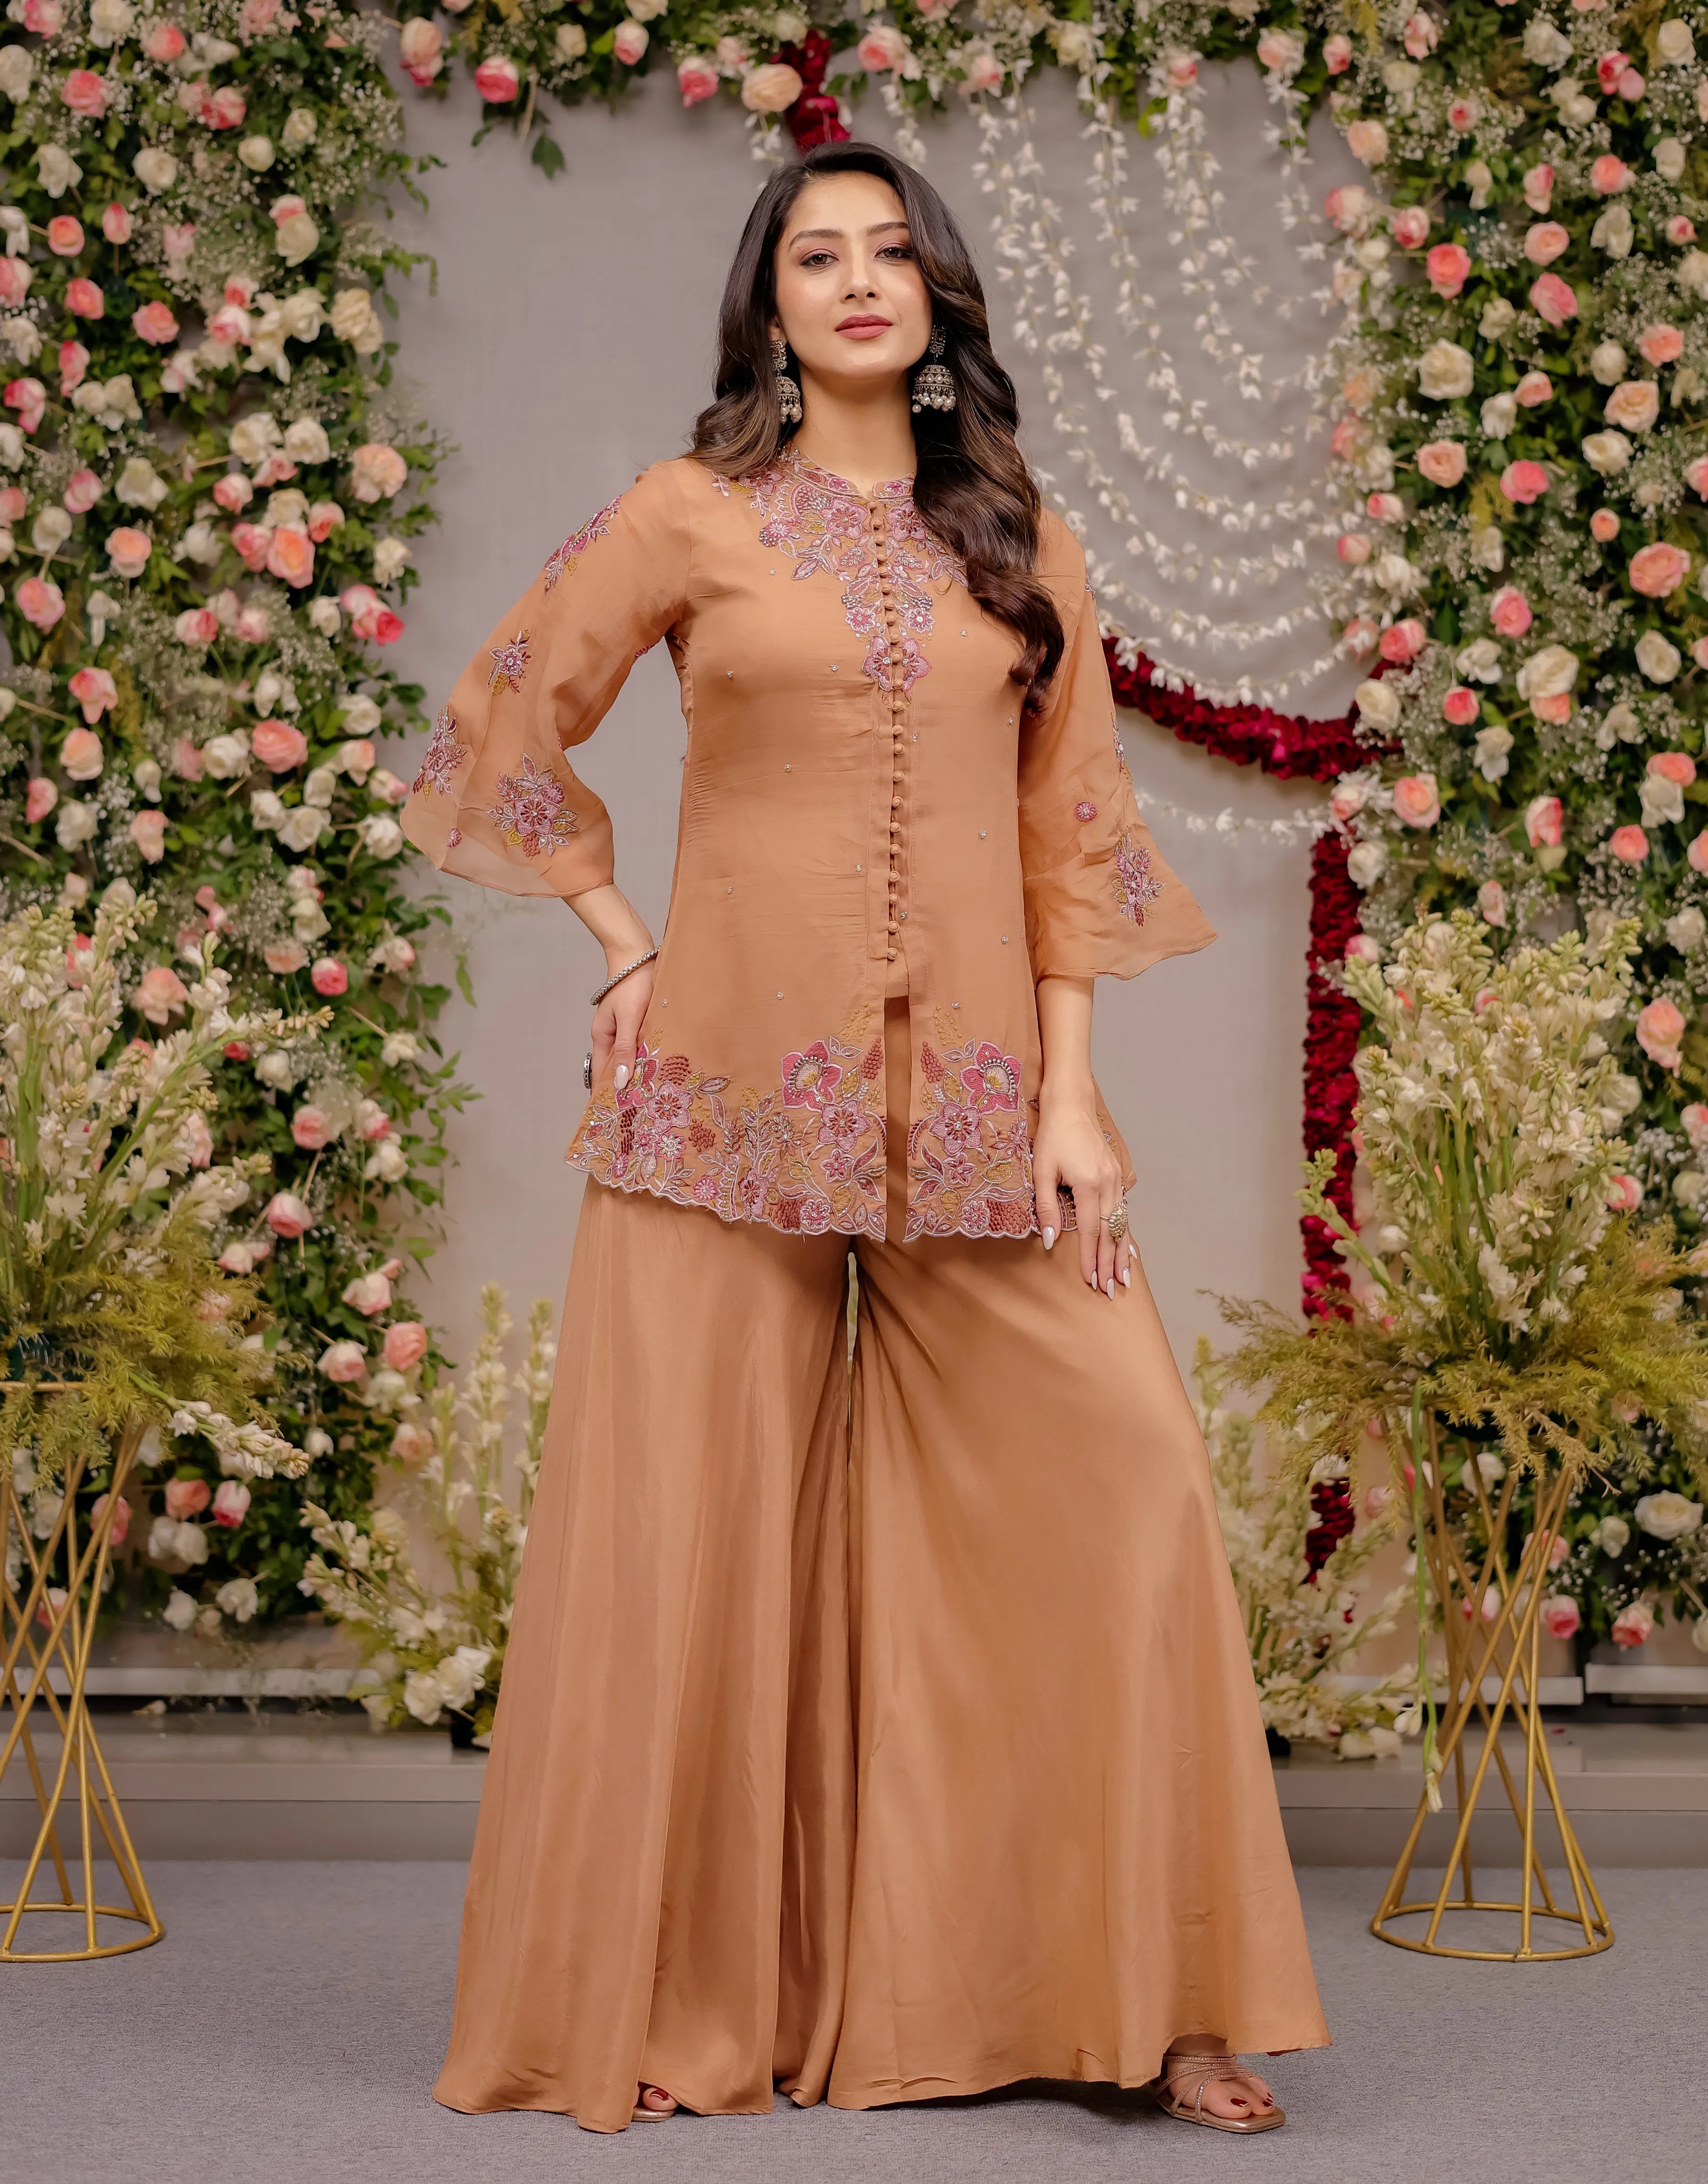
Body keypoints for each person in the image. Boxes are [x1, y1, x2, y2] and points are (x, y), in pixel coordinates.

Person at [404, 139, 1328, 2138]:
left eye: (889, 252)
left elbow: (1066, 834)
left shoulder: (1019, 537)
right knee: (685, 1552)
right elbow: (503, 719)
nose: (852, 281)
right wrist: (621, 943)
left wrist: (1071, 1098)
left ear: (938, 297)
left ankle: (1156, 2000)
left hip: (983, 1109)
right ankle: (669, 1996)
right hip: (722, 1105)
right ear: (766, 302)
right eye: (813, 254)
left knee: (1128, 1484)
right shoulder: (687, 515)